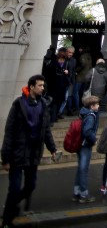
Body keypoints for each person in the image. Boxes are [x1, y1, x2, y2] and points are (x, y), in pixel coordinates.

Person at [1, 75, 57, 227]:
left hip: (33, 154)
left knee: (31, 185)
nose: (42, 88)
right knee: (14, 188)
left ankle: (11, 205)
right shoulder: (19, 104)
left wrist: (52, 148)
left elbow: (46, 130)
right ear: (31, 87)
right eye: (40, 85)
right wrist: (5, 158)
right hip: (18, 154)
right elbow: (9, 132)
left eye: (43, 86)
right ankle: (6, 221)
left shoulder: (43, 104)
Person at [72, 94, 100, 203]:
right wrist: (94, 139)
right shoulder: (91, 116)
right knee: (84, 169)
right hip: (85, 145)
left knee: (80, 168)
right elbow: (87, 131)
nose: (98, 106)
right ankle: (83, 194)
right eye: (97, 104)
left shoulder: (83, 113)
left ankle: (76, 192)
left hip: (80, 144)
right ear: (92, 106)